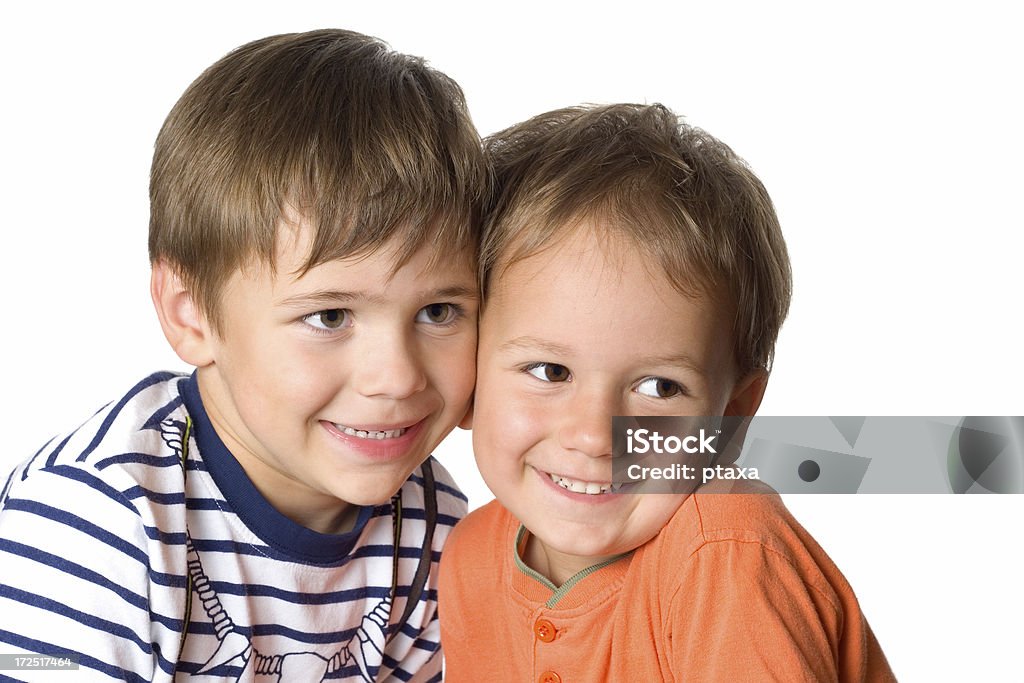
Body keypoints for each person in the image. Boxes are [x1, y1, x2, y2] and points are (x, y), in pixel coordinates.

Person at [0, 29, 487, 682]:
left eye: (438, 312)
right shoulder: (90, 522)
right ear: (190, 314)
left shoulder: (433, 526)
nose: (396, 375)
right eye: (329, 315)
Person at [439, 103, 895, 681]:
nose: (593, 436)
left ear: (731, 415)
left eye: (660, 387)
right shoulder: (468, 559)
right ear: (468, 377)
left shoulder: (726, 553)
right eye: (550, 372)